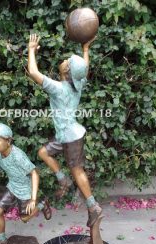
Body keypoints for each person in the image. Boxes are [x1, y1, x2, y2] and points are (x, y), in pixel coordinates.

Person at [28, 34, 102, 227]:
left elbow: (34, 73)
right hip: (64, 134)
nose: (65, 60)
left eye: (67, 61)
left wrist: (31, 50)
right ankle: (63, 180)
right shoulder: (78, 85)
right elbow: (84, 70)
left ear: (67, 71)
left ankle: (93, 206)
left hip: (71, 136)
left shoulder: (58, 88)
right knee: (43, 152)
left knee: (77, 170)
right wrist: (85, 50)